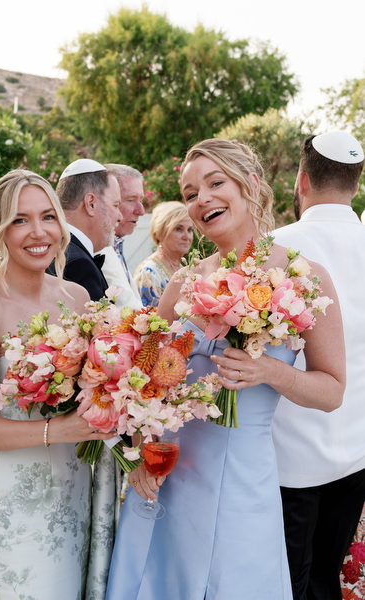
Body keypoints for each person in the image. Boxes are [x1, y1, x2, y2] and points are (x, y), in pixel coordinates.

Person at [105, 138, 346, 600]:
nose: (202, 200)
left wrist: (271, 372)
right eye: (191, 192)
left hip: (242, 485)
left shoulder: (303, 277)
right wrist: (139, 452)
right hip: (168, 481)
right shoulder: (181, 285)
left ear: (250, 185)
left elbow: (332, 390)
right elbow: (144, 385)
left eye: (216, 183)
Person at [0, 169, 117, 599]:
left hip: (78, 484)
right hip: (17, 495)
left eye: (48, 216)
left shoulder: (76, 299)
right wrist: (56, 430)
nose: (39, 231)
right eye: (20, 220)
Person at [271, 131, 365, 600]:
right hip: (357, 450)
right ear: (356, 183)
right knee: (327, 581)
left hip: (288, 455)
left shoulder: (272, 249)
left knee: (285, 584)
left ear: (301, 181)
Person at [46, 158, 122, 301]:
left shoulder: (58, 248)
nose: (120, 216)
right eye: (116, 205)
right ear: (90, 204)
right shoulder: (76, 264)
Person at [100, 164, 145, 310]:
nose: (141, 211)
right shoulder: (96, 250)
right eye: (131, 200)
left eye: (141, 200)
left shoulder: (116, 246)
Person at [133, 200, 193, 307]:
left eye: (189, 230)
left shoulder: (182, 268)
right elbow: (149, 320)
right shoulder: (148, 273)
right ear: (160, 232)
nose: (186, 236)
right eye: (179, 229)